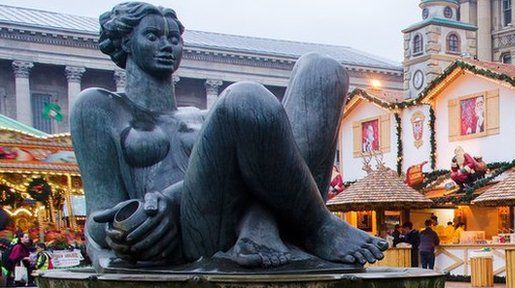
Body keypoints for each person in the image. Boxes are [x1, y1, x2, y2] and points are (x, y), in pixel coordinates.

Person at [72, 3, 386, 271]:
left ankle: (266, 228)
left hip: (247, 215)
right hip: (187, 234)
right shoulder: (99, 107)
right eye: (152, 36)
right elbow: (100, 221)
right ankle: (313, 224)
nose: (167, 46)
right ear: (125, 42)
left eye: (173, 38)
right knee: (246, 99)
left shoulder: (201, 116)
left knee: (322, 70)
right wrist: (138, 223)